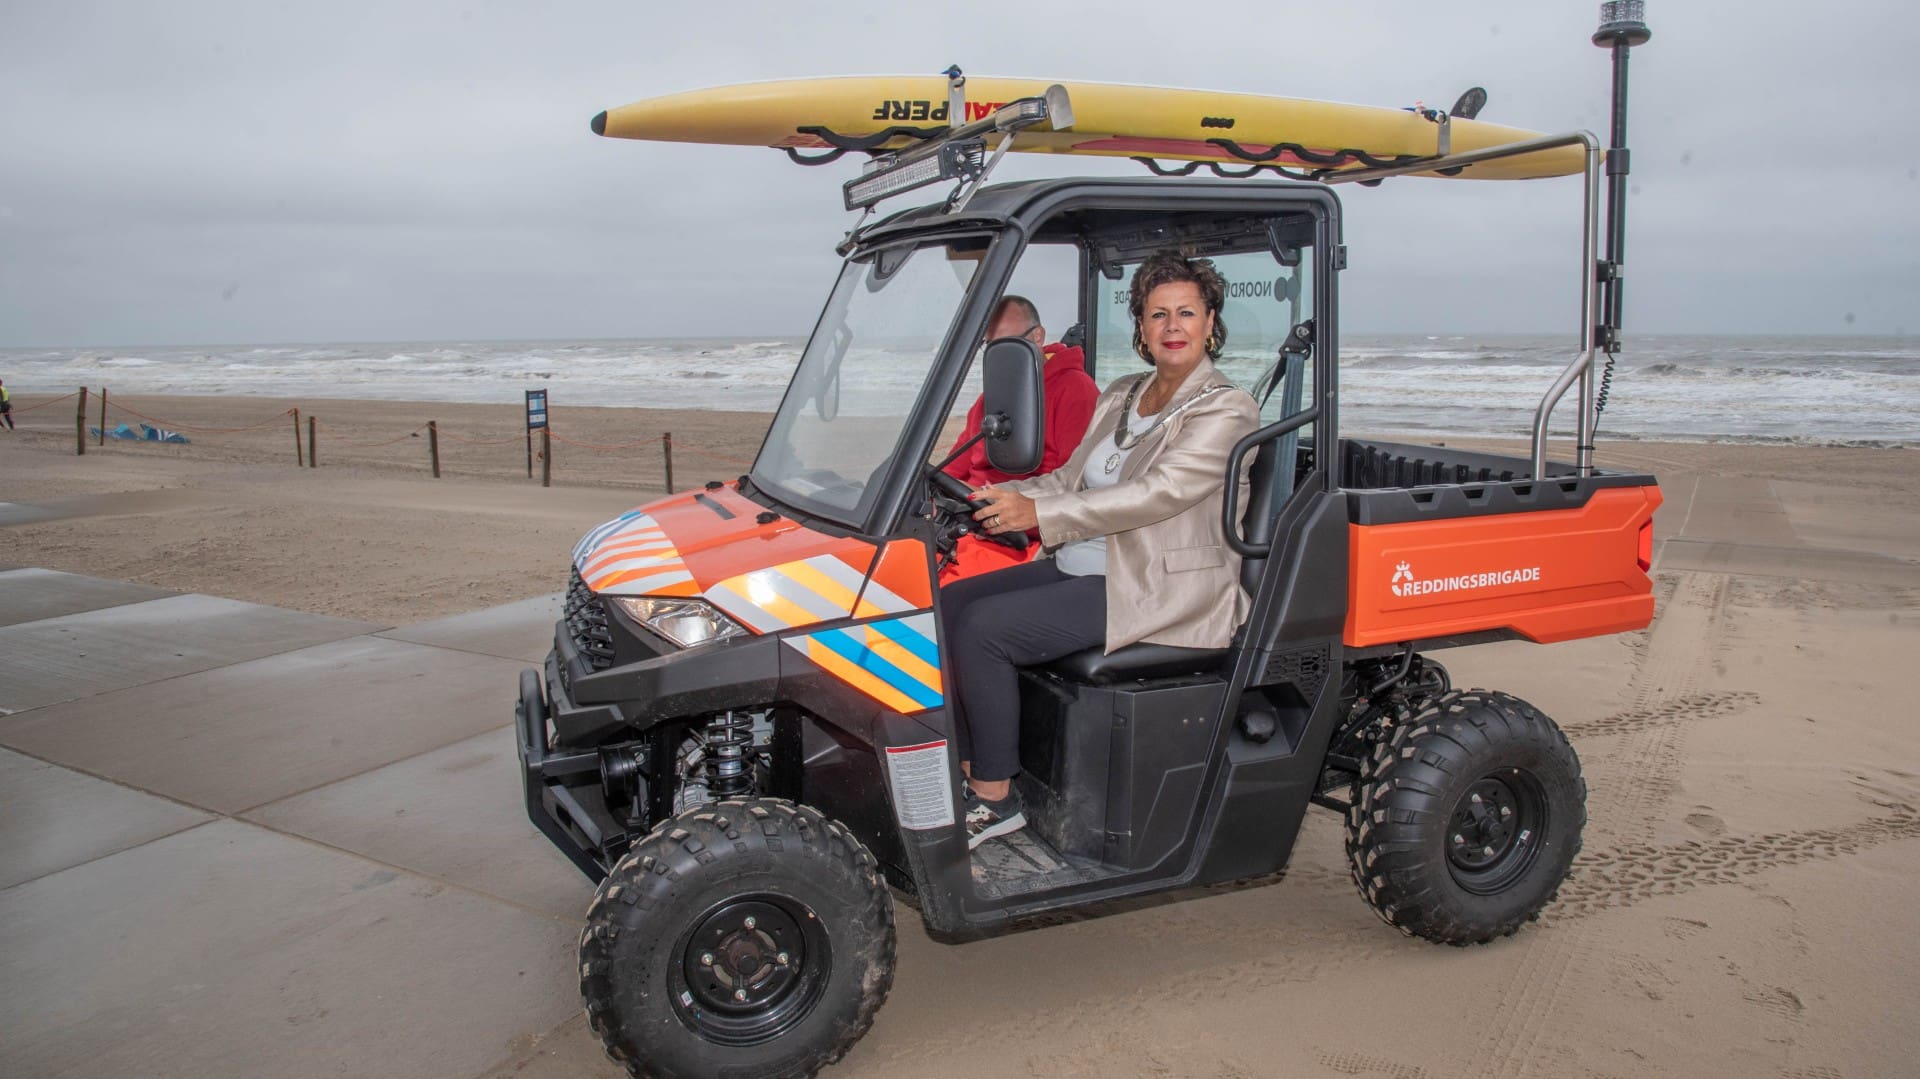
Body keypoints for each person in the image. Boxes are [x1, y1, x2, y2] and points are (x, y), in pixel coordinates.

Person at [941, 251, 1261, 847]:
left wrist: (1040, 515)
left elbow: (1158, 493)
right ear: (1140, 325)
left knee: (986, 630)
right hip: (1086, 563)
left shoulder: (1227, 408)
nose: (1172, 326)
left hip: (1159, 584)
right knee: (949, 606)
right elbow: (1070, 479)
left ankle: (996, 796)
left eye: (1186, 312)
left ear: (1210, 321)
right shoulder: (1122, 393)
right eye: (1157, 314)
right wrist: (999, 498)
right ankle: (969, 769)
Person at [940, 295, 1098, 489]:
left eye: (1009, 343)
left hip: (1024, 502)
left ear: (1037, 336)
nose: (1001, 355)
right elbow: (951, 471)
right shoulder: (991, 396)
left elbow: (1071, 482)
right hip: (970, 500)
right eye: (992, 346)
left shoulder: (1076, 390)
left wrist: (988, 495)